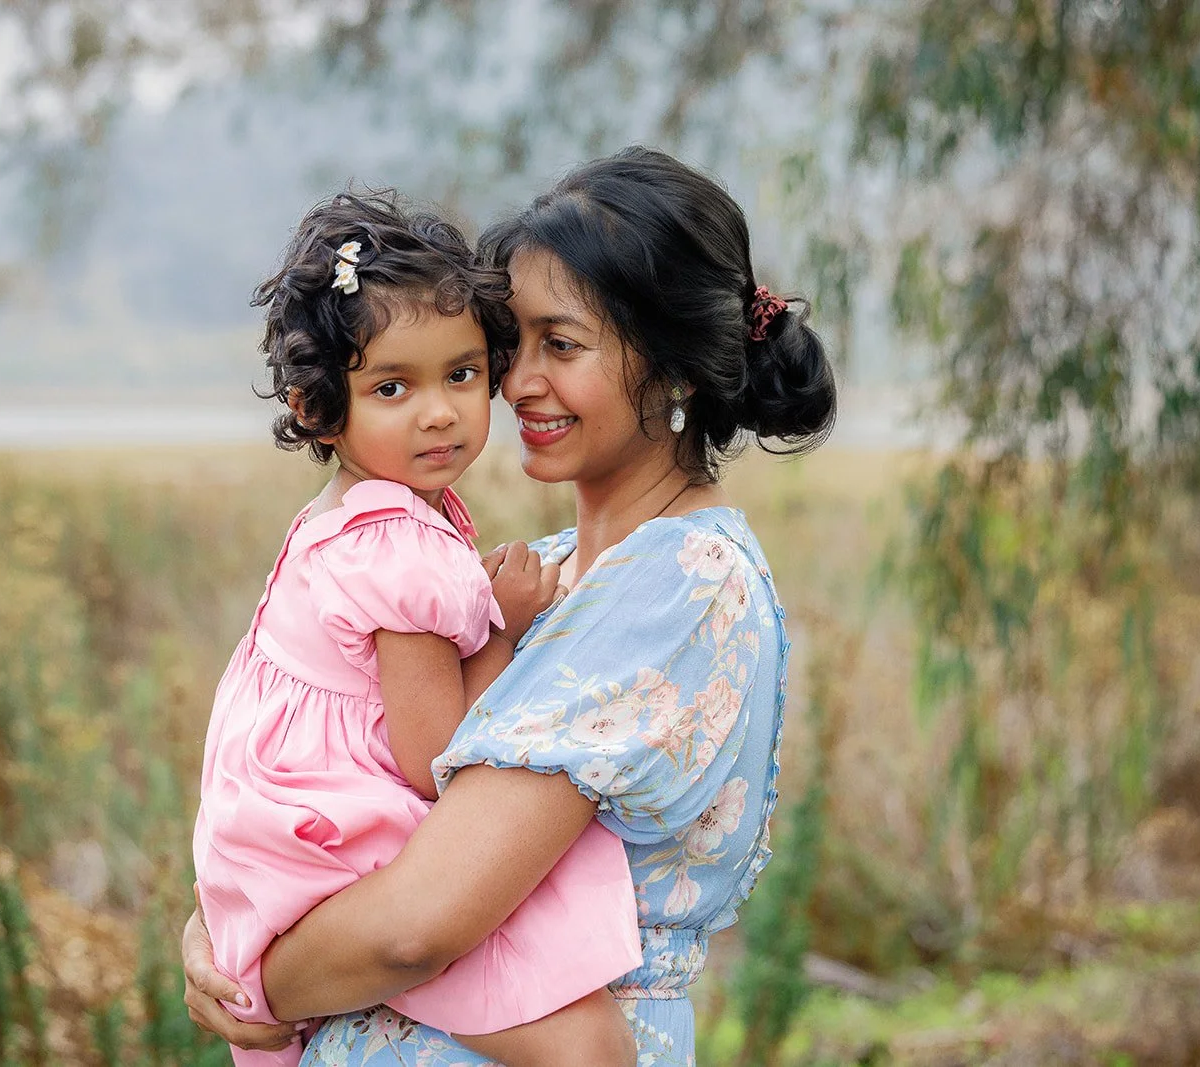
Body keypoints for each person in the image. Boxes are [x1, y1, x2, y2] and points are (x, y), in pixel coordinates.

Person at [182, 146, 838, 1065]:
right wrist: (224, 921)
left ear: (678, 370)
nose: (515, 381)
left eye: (560, 346)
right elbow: (365, 803)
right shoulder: (555, 570)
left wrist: (258, 976)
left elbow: (412, 927)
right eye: (510, 345)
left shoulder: (678, 586)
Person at [191, 190, 645, 1067]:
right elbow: (430, 752)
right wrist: (505, 630)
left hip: (274, 838)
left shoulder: (349, 515)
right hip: (341, 841)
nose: (439, 412)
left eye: (462, 375)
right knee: (591, 1044)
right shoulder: (404, 546)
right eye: (392, 387)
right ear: (320, 408)